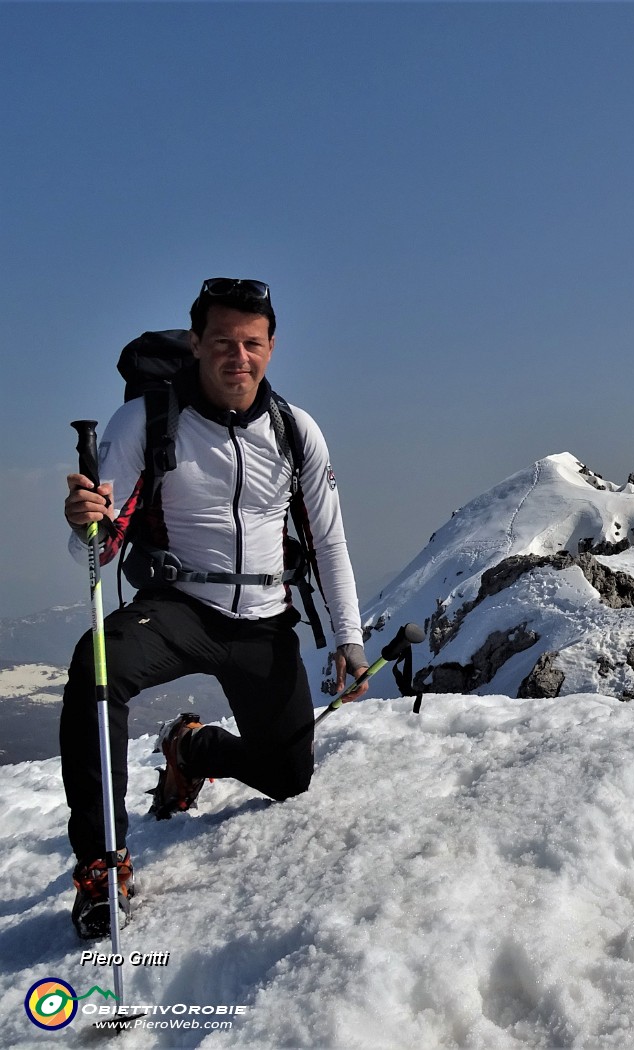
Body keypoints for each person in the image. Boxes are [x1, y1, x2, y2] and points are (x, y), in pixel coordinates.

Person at [61, 277, 369, 939]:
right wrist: (87, 523)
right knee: (97, 667)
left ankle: (191, 748)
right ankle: (99, 865)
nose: (240, 357)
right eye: (224, 342)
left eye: (252, 343)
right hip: (180, 608)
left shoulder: (295, 431)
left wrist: (350, 637)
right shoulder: (146, 420)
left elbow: (328, 537)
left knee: (288, 777)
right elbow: (100, 543)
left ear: (272, 347)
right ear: (197, 343)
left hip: (263, 620)